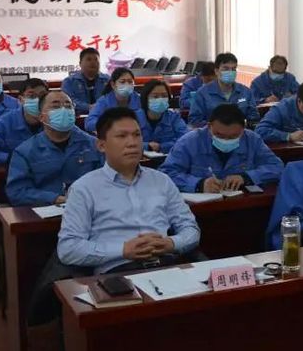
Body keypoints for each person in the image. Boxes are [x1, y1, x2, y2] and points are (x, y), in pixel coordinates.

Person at [57, 107, 201, 275]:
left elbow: (190, 228)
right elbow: (68, 249)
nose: (132, 143)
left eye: (137, 135)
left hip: (165, 266)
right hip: (118, 272)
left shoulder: (162, 181)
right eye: (122, 136)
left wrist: (171, 243)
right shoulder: (84, 188)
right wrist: (123, 250)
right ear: (101, 145)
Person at [5, 90, 104, 206]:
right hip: (45, 210)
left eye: (68, 106)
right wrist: (54, 198)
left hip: (90, 207)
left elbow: (108, 180)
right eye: (56, 107)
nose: (63, 110)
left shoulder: (95, 145)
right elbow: (17, 192)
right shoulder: (25, 151)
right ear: (41, 117)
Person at [162, 104, 283, 193]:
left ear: (243, 129)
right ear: (209, 126)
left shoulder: (252, 139)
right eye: (219, 135)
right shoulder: (189, 141)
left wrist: (246, 177)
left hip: (242, 204)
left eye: (233, 136)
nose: (226, 140)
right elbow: (166, 173)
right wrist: (199, 184)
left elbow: (277, 167)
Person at [0, 78, 49, 165]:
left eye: (42, 96)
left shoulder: (54, 120)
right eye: (32, 96)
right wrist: (13, 157)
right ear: (21, 100)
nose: (38, 100)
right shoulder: (4, 123)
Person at [187, 53, 259, 127]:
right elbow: (194, 121)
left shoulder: (246, 92)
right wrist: (217, 127)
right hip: (211, 133)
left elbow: (254, 119)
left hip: (240, 132)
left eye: (233, 69)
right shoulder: (202, 93)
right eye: (226, 69)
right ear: (216, 71)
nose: (230, 72)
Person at [136, 80, 187, 153]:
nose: (160, 99)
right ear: (146, 98)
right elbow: (126, 142)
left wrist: (161, 147)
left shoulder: (174, 118)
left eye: (164, 96)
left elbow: (185, 139)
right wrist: (147, 146)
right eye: (155, 96)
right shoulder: (134, 118)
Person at [83, 67, 141, 133]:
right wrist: (111, 124)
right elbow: (89, 123)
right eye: (122, 82)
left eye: (130, 82)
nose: (127, 85)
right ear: (113, 84)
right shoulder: (103, 101)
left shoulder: (140, 100)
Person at [60, 48, 110, 114]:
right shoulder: (69, 81)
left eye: (96, 59)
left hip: (104, 115)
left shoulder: (107, 80)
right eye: (89, 59)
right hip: (77, 116)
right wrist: (88, 107)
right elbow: (68, 101)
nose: (93, 62)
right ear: (80, 63)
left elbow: (112, 98)